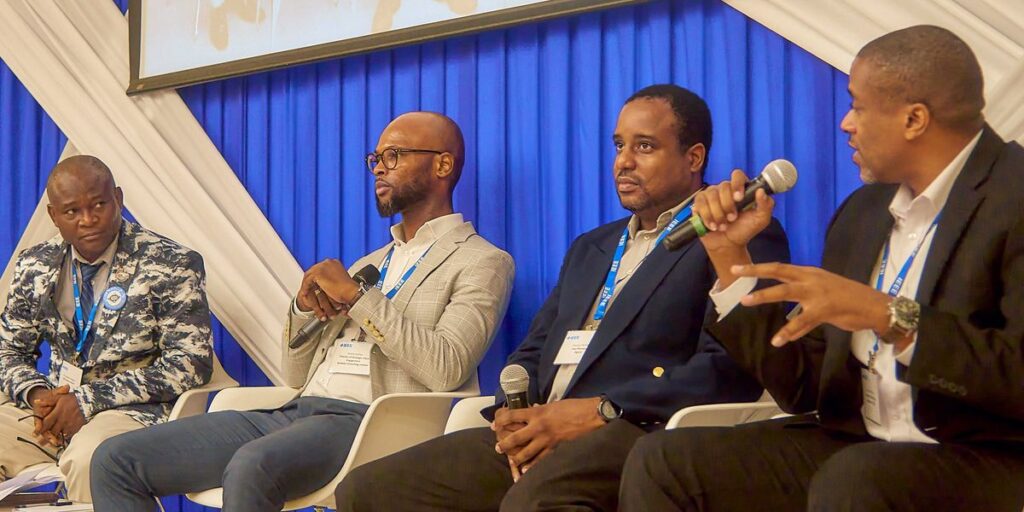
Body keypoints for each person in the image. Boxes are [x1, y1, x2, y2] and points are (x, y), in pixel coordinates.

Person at [619, 26, 1024, 512]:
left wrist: (890, 316)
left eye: (857, 106)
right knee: (664, 460)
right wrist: (730, 257)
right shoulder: (862, 214)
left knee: (857, 479)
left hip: (986, 455)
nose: (845, 123)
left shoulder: (1013, 197)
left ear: (914, 119)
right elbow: (803, 388)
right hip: (857, 443)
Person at [335, 85, 790, 512]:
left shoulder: (734, 234)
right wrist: (515, 414)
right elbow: (534, 349)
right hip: (541, 428)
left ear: (694, 157)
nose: (623, 162)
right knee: (366, 491)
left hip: (634, 431)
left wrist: (601, 409)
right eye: (618, 146)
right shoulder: (591, 247)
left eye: (644, 147)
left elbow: (728, 370)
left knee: (531, 502)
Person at [90, 111, 515, 512]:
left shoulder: (481, 261)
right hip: (298, 410)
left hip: (369, 421)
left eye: (394, 155)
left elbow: (446, 367)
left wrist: (356, 297)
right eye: (376, 159)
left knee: (252, 465)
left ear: (443, 165)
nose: (380, 168)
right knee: (115, 458)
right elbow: (294, 375)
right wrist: (303, 306)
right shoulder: (372, 261)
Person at [0, 155, 213, 503]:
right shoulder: (34, 264)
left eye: (99, 204)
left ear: (118, 198)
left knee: (93, 461)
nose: (88, 219)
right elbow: (8, 351)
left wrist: (86, 401)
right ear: (54, 216)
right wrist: (39, 397)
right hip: (52, 412)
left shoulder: (172, 263)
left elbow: (190, 364)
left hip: (131, 412)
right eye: (72, 212)